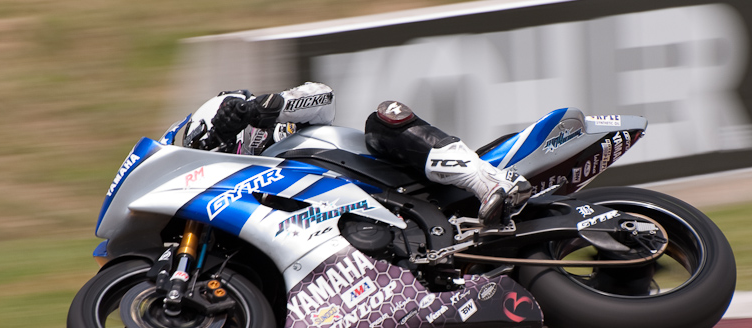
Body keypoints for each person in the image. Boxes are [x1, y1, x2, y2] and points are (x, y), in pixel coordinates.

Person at [184, 82, 531, 226]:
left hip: (390, 182)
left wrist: (263, 109)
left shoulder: (273, 128)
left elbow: (322, 97)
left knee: (383, 120)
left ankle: (487, 180)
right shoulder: (237, 200)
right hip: (349, 226)